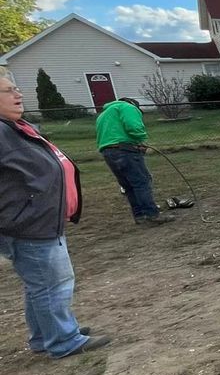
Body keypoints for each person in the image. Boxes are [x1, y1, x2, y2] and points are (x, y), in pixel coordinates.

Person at [0, 67, 110, 358]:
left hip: (38, 220)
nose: (18, 93)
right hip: (28, 223)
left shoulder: (16, 128)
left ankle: (45, 336)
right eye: (8, 91)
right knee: (52, 283)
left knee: (40, 283)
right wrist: (21, 210)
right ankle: (64, 340)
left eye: (16, 88)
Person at [95, 97, 174, 226]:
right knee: (142, 182)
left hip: (107, 152)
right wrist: (141, 140)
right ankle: (151, 215)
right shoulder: (127, 107)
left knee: (129, 186)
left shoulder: (103, 114)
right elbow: (133, 126)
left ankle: (140, 216)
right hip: (125, 150)